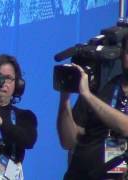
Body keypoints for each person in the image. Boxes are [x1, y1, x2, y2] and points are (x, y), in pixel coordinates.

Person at [56, 34, 128, 180]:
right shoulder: (101, 88)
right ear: (122, 55)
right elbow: (68, 142)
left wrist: (88, 96)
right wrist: (65, 99)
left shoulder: (90, 95)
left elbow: (125, 127)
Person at [0, 54, 38, 180]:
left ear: (17, 84)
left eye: (8, 78)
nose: (3, 83)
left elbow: (28, 141)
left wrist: (0, 123)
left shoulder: (25, 116)